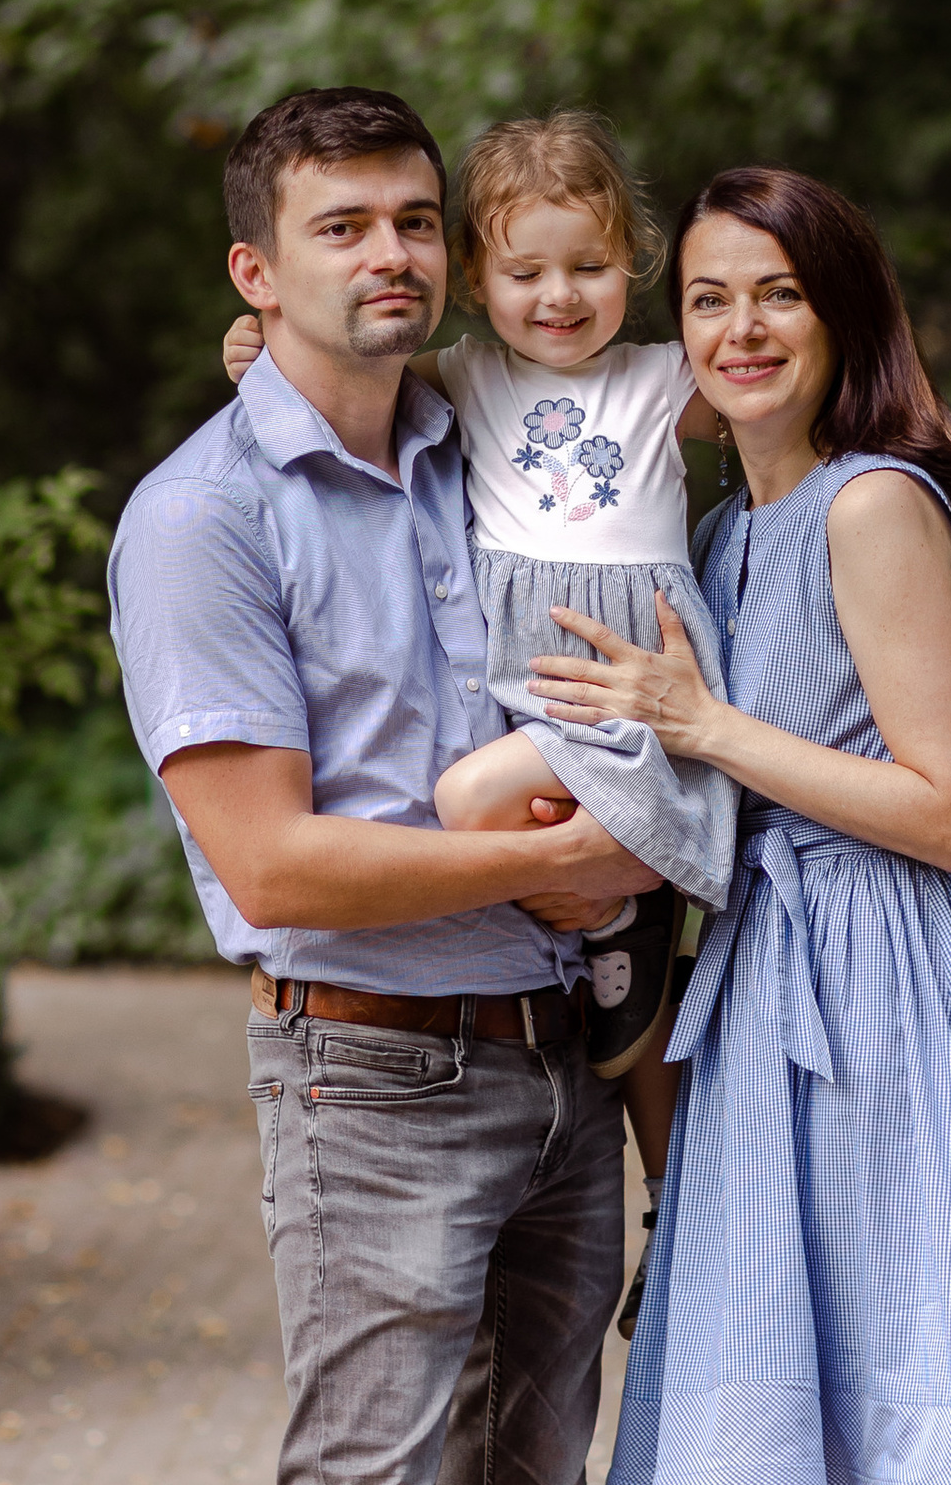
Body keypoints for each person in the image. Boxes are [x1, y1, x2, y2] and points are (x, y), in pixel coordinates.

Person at [541, 165, 951, 1485]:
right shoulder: (715, 535)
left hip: (893, 989)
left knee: (910, 1373)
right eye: (709, 300)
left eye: (780, 295)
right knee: (769, 1383)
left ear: (844, 317)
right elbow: (526, 381)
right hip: (764, 977)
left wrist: (706, 730)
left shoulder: (871, 505)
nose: (742, 329)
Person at [107, 86, 658, 1485]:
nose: (388, 255)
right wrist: (584, 856)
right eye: (340, 227)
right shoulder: (204, 518)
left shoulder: (482, 448)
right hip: (374, 1076)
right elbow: (274, 867)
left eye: (414, 222)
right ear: (257, 271)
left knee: (534, 1469)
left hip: (563, 1061)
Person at [228, 109, 739, 1334]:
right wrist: (254, 336)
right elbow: (314, 359)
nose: (560, 296)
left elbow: (787, 382)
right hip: (535, 694)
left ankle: (625, 926)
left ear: (637, 266)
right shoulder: (458, 380)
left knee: (470, 807)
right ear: (475, 275)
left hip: (624, 683)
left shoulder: (669, 378)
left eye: (591, 267)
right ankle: (631, 955)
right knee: (632, 1016)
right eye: (524, 271)